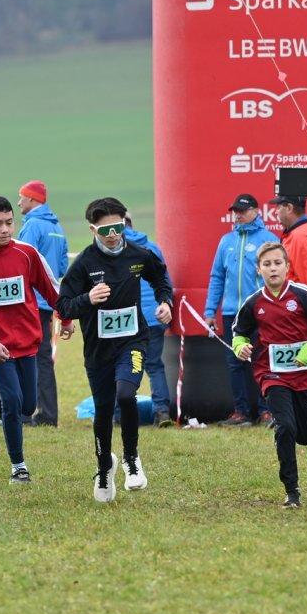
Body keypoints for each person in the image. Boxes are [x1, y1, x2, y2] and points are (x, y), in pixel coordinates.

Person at [56, 196, 173, 503]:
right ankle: (103, 466)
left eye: (118, 227)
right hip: (98, 349)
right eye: (105, 230)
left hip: (132, 341)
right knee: (104, 409)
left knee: (126, 394)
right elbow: (63, 305)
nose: (112, 235)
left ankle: (131, 458)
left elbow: (160, 279)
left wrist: (165, 303)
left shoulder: (138, 255)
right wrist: (88, 299)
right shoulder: (84, 263)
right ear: (93, 230)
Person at [0, 196, 63, 484]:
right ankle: (19, 466)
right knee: (12, 401)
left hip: (27, 344)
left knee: (27, 405)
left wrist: (65, 317)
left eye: (9, 222)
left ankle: (8, 399)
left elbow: (51, 288)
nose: (5, 229)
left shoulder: (27, 254)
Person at [232, 242, 307, 507]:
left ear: (287, 267)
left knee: (305, 435)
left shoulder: (305, 295)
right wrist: (240, 347)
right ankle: (292, 491)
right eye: (267, 264)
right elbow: (239, 332)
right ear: (259, 270)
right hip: (272, 375)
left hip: (305, 374)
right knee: (286, 428)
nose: (273, 269)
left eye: (277, 263)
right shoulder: (253, 302)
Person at [204, 194, 277, 427]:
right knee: (235, 362)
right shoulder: (226, 241)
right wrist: (210, 311)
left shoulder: (269, 240)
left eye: (243, 211)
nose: (238, 215)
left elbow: (278, 278)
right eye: (235, 211)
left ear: (256, 211)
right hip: (231, 313)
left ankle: (266, 411)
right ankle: (241, 412)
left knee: (262, 360)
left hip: (260, 312)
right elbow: (217, 277)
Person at [15, 180, 70, 427]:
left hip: (29, 302)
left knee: (22, 356)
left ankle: (23, 414)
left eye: (21, 197)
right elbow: (62, 267)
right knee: (44, 359)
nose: (19, 202)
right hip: (48, 303)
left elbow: (21, 262)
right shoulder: (57, 227)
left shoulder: (32, 226)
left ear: (32, 199)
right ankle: (48, 414)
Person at [123, 215, 175, 427]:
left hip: (126, 318)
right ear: (131, 225)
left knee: (124, 366)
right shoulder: (152, 246)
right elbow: (166, 281)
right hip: (154, 316)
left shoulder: (113, 250)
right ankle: (162, 412)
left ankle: (120, 414)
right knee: (154, 366)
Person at [270, 195, 307, 296]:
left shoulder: (300, 237)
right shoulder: (301, 231)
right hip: (298, 300)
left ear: (289, 208)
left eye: (278, 207)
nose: (276, 212)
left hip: (303, 302)